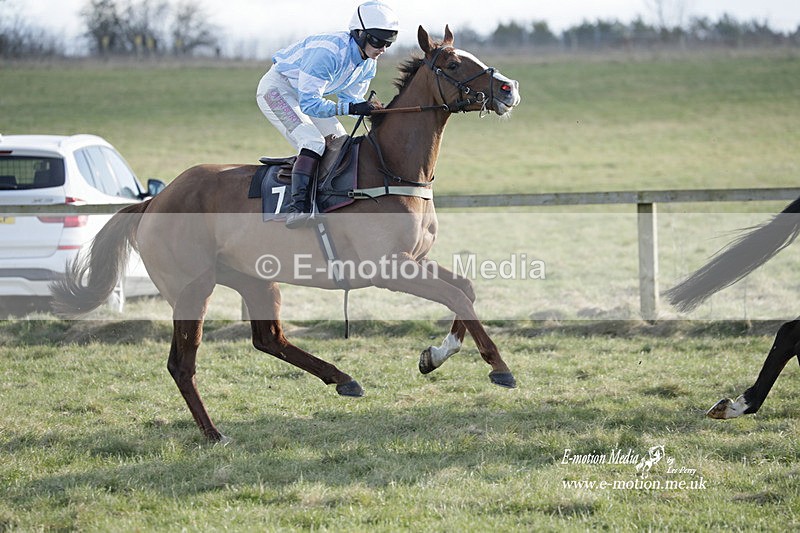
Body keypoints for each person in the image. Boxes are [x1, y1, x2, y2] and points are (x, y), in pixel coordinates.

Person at [256, 1, 399, 229]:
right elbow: (310, 104)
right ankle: (299, 208)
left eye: (389, 43)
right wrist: (352, 108)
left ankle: (330, 198)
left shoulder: (368, 64)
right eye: (378, 41)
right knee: (312, 142)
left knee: (341, 142)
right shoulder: (329, 53)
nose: (383, 48)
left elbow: (349, 102)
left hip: (306, 96)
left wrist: (377, 112)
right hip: (277, 91)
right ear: (360, 34)